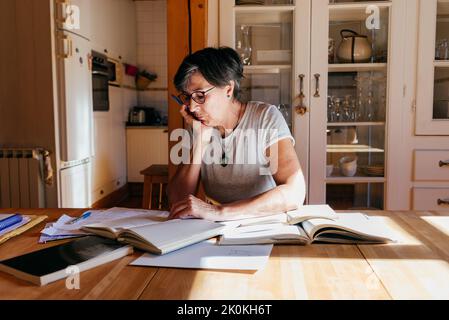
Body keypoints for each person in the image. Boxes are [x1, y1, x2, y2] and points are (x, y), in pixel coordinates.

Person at [167, 47, 306, 221]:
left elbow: (295, 191)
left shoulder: (265, 118)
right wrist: (200, 139)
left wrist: (221, 212)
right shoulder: (198, 124)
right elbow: (177, 201)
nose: (192, 107)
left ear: (228, 89)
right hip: (216, 228)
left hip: (262, 222)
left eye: (200, 96)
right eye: (187, 97)